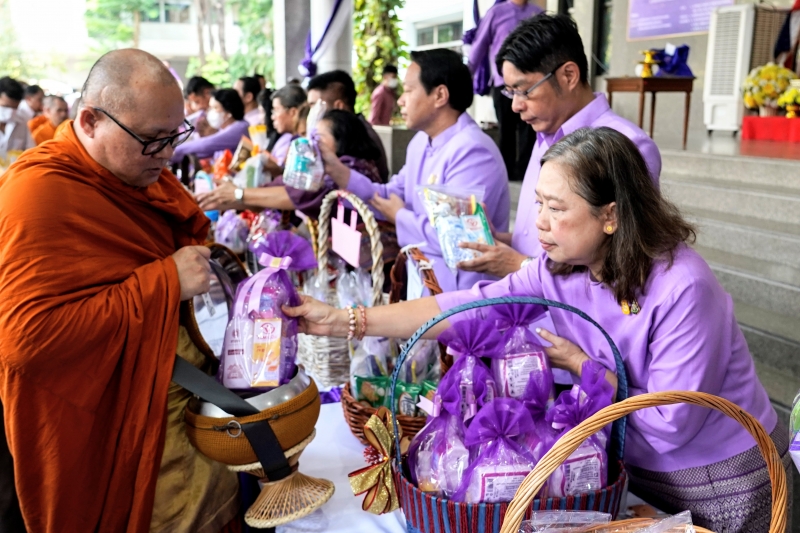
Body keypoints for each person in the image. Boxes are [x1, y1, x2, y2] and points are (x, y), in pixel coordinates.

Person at [287, 126, 791, 533]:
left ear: (610, 215)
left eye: (557, 208)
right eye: (539, 204)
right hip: (633, 472)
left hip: (722, 482)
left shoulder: (682, 286)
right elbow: (465, 306)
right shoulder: (561, 269)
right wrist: (347, 321)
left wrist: (582, 367)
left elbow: (671, 424)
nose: (540, 224)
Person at [0, 49, 240, 533]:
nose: (168, 154)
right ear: (89, 121)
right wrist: (165, 281)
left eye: (175, 136)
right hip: (121, 424)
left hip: (179, 401)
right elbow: (26, 341)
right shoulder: (39, 194)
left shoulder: (138, 171)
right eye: (152, 140)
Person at [459, 13, 662, 280]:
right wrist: (500, 240)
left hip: (567, 319)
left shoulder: (629, 146)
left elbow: (619, 267)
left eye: (524, 90)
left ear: (568, 75)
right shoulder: (545, 135)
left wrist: (519, 265)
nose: (516, 105)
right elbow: (544, 239)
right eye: (510, 92)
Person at [320, 49, 510, 292]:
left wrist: (399, 217)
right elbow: (389, 194)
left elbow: (458, 240)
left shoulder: (472, 151)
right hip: (424, 282)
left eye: (409, 90)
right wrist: (336, 170)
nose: (400, 100)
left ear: (440, 95)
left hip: (462, 294)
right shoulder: (421, 142)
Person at [198, 108, 384, 219]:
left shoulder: (353, 168)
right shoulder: (319, 167)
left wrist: (239, 194)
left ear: (342, 140)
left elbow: (300, 195)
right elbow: (279, 189)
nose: (310, 144)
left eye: (317, 138)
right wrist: (225, 197)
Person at [468, 0, 541, 182]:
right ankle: (506, 174)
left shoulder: (537, 13)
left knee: (529, 129)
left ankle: (525, 172)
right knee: (506, 131)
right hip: (503, 84)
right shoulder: (496, 13)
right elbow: (480, 44)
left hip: (531, 85)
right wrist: (466, 73)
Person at [307, 69, 389, 182]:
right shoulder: (355, 131)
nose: (311, 113)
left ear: (339, 107)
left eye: (314, 106)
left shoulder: (357, 140)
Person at [170, 88, 250, 163]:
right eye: (210, 108)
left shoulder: (240, 127)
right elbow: (203, 152)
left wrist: (173, 149)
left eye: (215, 108)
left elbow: (206, 145)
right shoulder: (223, 129)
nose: (209, 112)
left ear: (228, 112)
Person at [0, 77, 35, 164]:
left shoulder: (22, 122)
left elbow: (30, 151)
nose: (10, 112)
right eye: (6, 106)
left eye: (15, 108)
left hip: (14, 174)